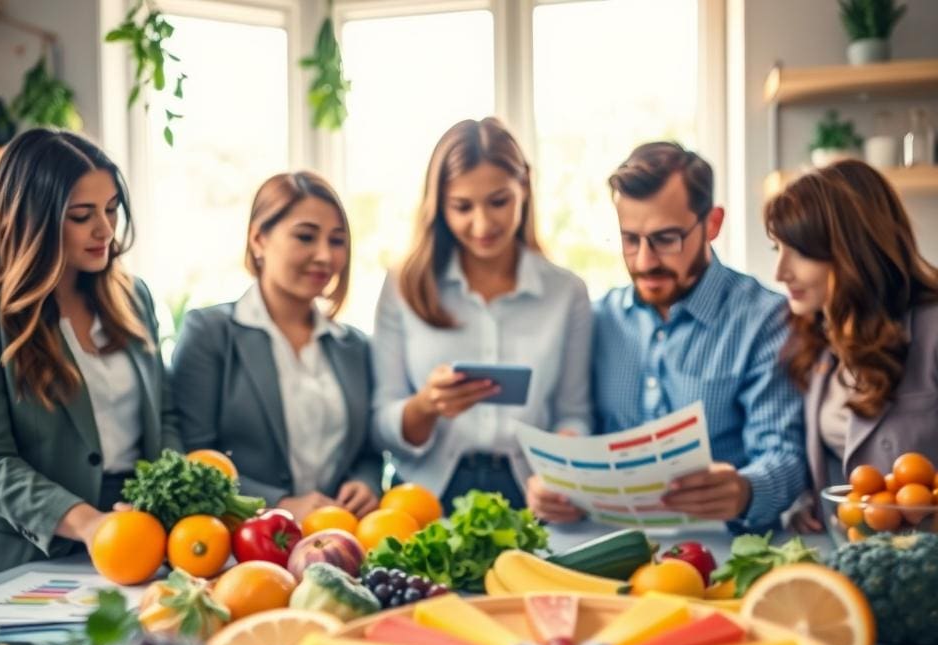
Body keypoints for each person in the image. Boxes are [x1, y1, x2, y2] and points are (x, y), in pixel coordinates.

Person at [527, 141, 807, 532]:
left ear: (712, 224)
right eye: (630, 240)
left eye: (665, 239)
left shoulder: (766, 320)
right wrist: (555, 484)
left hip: (725, 552)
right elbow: (576, 420)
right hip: (607, 546)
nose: (644, 262)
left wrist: (746, 489)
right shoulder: (600, 318)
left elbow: (785, 454)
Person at [0, 128, 181, 578]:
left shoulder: (134, 298)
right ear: (31, 220)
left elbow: (164, 419)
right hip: (27, 556)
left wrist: (165, 503)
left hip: (140, 541)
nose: (105, 230)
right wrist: (91, 524)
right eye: (81, 215)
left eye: (111, 209)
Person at [370, 117, 593, 513]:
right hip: (423, 495)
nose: (483, 224)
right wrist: (426, 405)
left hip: (532, 494)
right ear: (438, 204)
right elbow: (381, 425)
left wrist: (565, 466)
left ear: (524, 186)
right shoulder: (403, 285)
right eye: (462, 207)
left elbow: (573, 413)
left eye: (498, 201)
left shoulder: (566, 293)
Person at [171, 171, 381, 522]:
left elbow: (369, 451)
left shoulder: (354, 346)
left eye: (337, 240)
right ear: (258, 240)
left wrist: (366, 483)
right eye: (306, 237)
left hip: (337, 537)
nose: (325, 256)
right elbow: (193, 456)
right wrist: (278, 503)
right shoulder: (209, 333)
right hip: (240, 541)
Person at [766, 159, 938, 532]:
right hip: (860, 563)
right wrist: (808, 504)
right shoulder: (818, 343)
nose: (780, 272)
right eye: (776, 248)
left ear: (853, 250)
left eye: (800, 251)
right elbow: (843, 465)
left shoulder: (932, 327)